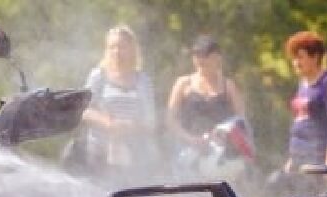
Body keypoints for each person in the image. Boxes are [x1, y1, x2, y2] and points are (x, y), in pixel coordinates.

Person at [79, 25, 157, 180]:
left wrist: (129, 126)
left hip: (136, 154)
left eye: (122, 47)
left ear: (132, 49)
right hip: (99, 152)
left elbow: (151, 120)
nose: (117, 52)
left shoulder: (143, 80)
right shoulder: (98, 76)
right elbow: (84, 110)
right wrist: (108, 123)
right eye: (112, 47)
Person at [166, 35, 246, 167]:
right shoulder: (183, 83)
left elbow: (241, 120)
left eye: (205, 54)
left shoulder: (228, 86)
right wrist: (190, 139)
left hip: (220, 152)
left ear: (217, 57)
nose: (200, 59)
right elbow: (170, 120)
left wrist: (224, 135)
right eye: (196, 54)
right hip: (187, 150)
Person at [284, 31, 327, 173]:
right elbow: (300, 120)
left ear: (315, 57)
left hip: (317, 156)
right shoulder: (302, 84)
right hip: (298, 156)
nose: (296, 63)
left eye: (300, 57)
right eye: (294, 58)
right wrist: (291, 158)